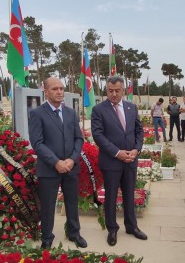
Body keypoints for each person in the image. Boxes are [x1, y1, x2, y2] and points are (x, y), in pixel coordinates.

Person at [28, 77, 86, 249]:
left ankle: (74, 233)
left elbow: (78, 138)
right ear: (45, 91)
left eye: (61, 88)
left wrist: (72, 159)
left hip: (70, 167)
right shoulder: (37, 114)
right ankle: (47, 236)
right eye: (55, 89)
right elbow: (37, 143)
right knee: (48, 205)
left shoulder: (70, 113)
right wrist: (56, 162)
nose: (59, 92)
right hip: (49, 169)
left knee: (72, 203)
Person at [91, 76, 147, 246]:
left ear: (123, 90)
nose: (114, 94)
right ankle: (112, 229)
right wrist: (117, 153)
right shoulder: (99, 109)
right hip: (111, 162)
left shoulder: (131, 107)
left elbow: (139, 131)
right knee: (111, 196)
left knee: (129, 194)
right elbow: (98, 136)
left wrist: (136, 150)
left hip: (131, 160)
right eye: (110, 91)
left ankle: (131, 226)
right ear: (106, 90)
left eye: (117, 90)